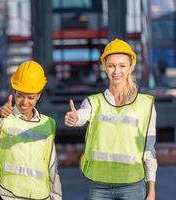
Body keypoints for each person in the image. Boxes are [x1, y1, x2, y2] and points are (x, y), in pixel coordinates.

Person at [65, 39, 157, 200]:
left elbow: (149, 149)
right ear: (105, 67)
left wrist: (152, 190)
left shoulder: (145, 105)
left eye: (122, 65)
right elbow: (82, 114)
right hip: (99, 185)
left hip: (133, 185)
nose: (116, 71)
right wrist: (75, 118)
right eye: (111, 65)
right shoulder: (94, 102)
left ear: (131, 67)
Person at [0, 60, 62, 200]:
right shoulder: (4, 117)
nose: (25, 102)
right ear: (14, 92)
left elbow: (52, 165)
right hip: (7, 193)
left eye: (31, 97)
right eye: (20, 95)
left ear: (39, 95)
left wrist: (56, 196)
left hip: (40, 195)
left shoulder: (48, 123)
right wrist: (0, 113)